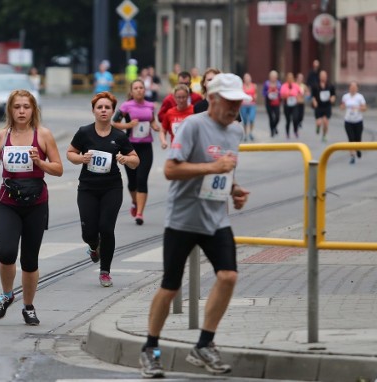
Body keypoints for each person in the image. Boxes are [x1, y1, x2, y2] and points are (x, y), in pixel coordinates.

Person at [139, 73, 250, 378]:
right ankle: (151, 349)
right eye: (230, 101)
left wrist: (234, 190)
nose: (235, 107)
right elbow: (171, 170)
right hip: (184, 218)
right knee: (171, 286)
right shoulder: (192, 125)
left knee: (228, 276)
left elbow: (224, 173)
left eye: (239, 101)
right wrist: (213, 167)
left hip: (215, 218)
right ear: (212, 99)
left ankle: (204, 343)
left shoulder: (236, 131)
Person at [0, 90, 63, 325]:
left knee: (30, 260)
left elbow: (58, 169)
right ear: (10, 110)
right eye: (17, 107)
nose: (22, 111)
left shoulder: (43, 135)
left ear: (34, 110)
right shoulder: (1, 135)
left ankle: (28, 306)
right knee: (7, 252)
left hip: (36, 203)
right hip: (9, 202)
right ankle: (7, 294)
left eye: (26, 107)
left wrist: (40, 162)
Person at [66, 92, 139, 287]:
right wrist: (81, 158)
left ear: (113, 111)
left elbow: (135, 160)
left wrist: (126, 159)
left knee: (106, 228)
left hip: (111, 188)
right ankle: (93, 246)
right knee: (88, 232)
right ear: (93, 111)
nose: (103, 110)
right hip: (88, 188)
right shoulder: (84, 132)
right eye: (100, 107)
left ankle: (105, 271)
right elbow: (70, 153)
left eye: (107, 107)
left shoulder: (119, 136)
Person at [112, 80, 159, 225]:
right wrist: (129, 125)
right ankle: (134, 201)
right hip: (129, 147)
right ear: (131, 91)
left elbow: (151, 120)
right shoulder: (126, 106)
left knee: (142, 179)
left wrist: (155, 126)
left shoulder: (150, 105)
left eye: (141, 88)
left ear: (144, 90)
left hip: (146, 147)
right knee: (132, 182)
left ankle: (139, 213)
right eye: (136, 88)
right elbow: (114, 123)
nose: (139, 90)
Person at [340, 81, 367, 164]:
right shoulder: (345, 97)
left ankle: (358, 149)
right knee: (351, 139)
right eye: (351, 87)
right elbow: (342, 107)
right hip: (348, 121)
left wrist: (358, 108)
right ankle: (352, 156)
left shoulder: (360, 97)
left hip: (358, 121)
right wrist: (343, 106)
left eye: (354, 87)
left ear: (357, 88)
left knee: (358, 138)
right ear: (349, 88)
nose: (353, 88)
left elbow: (364, 108)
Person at [159, 84, 194, 150]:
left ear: (188, 97)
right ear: (174, 97)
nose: (181, 100)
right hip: (175, 149)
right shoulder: (170, 112)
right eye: (179, 97)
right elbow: (162, 131)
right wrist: (163, 141)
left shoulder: (194, 111)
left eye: (184, 97)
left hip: (191, 149)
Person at [311, 70, 336, 142]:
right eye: (322, 76)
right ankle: (318, 127)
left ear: (326, 77)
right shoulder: (316, 85)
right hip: (319, 106)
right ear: (320, 77)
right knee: (319, 122)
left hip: (327, 106)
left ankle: (324, 135)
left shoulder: (330, 85)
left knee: (325, 122)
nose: (323, 77)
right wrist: (314, 101)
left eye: (324, 76)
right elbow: (313, 96)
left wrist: (332, 99)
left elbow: (333, 95)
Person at [279, 72, 302, 139]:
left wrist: (298, 98)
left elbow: (300, 93)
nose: (290, 79)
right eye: (288, 78)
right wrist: (287, 96)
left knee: (295, 118)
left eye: (291, 78)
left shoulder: (296, 85)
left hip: (294, 104)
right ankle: (287, 133)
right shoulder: (284, 86)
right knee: (288, 120)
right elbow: (281, 96)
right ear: (287, 78)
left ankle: (295, 130)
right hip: (287, 104)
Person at [263, 70, 282, 137]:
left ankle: (274, 127)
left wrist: (278, 93)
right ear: (270, 77)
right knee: (271, 117)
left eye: (274, 76)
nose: (273, 78)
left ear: (276, 77)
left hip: (276, 103)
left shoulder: (279, 84)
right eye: (272, 76)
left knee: (277, 117)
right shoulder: (267, 83)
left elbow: (281, 93)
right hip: (269, 103)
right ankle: (272, 131)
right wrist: (268, 93)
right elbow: (263, 93)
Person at [240, 73, 257, 141]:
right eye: (246, 78)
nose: (247, 79)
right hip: (244, 105)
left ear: (250, 79)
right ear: (244, 79)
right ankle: (246, 134)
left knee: (251, 119)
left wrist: (255, 97)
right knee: (245, 121)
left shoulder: (254, 86)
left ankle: (251, 133)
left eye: (248, 78)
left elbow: (255, 94)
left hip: (252, 104)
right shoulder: (242, 86)